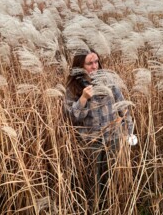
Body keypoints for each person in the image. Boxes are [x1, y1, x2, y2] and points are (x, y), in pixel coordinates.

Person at [64, 48, 135, 207]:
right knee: (93, 183)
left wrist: (128, 132)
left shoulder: (109, 81)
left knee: (112, 179)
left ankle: (111, 207)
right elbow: (71, 118)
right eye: (90, 63)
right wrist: (83, 99)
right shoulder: (73, 87)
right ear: (80, 67)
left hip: (113, 138)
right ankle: (94, 208)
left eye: (96, 62)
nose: (95, 66)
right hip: (90, 141)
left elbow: (123, 108)